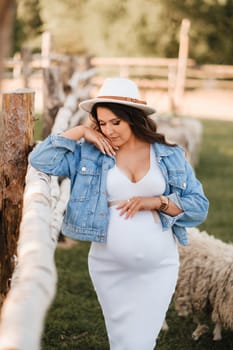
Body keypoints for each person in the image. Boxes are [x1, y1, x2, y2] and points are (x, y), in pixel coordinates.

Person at [29, 77, 209, 349]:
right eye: (102, 123)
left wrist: (156, 202)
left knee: (142, 342)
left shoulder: (169, 155)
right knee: (123, 341)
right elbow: (41, 159)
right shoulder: (90, 153)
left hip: (159, 266)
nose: (109, 130)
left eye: (116, 122)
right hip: (108, 266)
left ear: (133, 118)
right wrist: (80, 132)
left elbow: (198, 207)